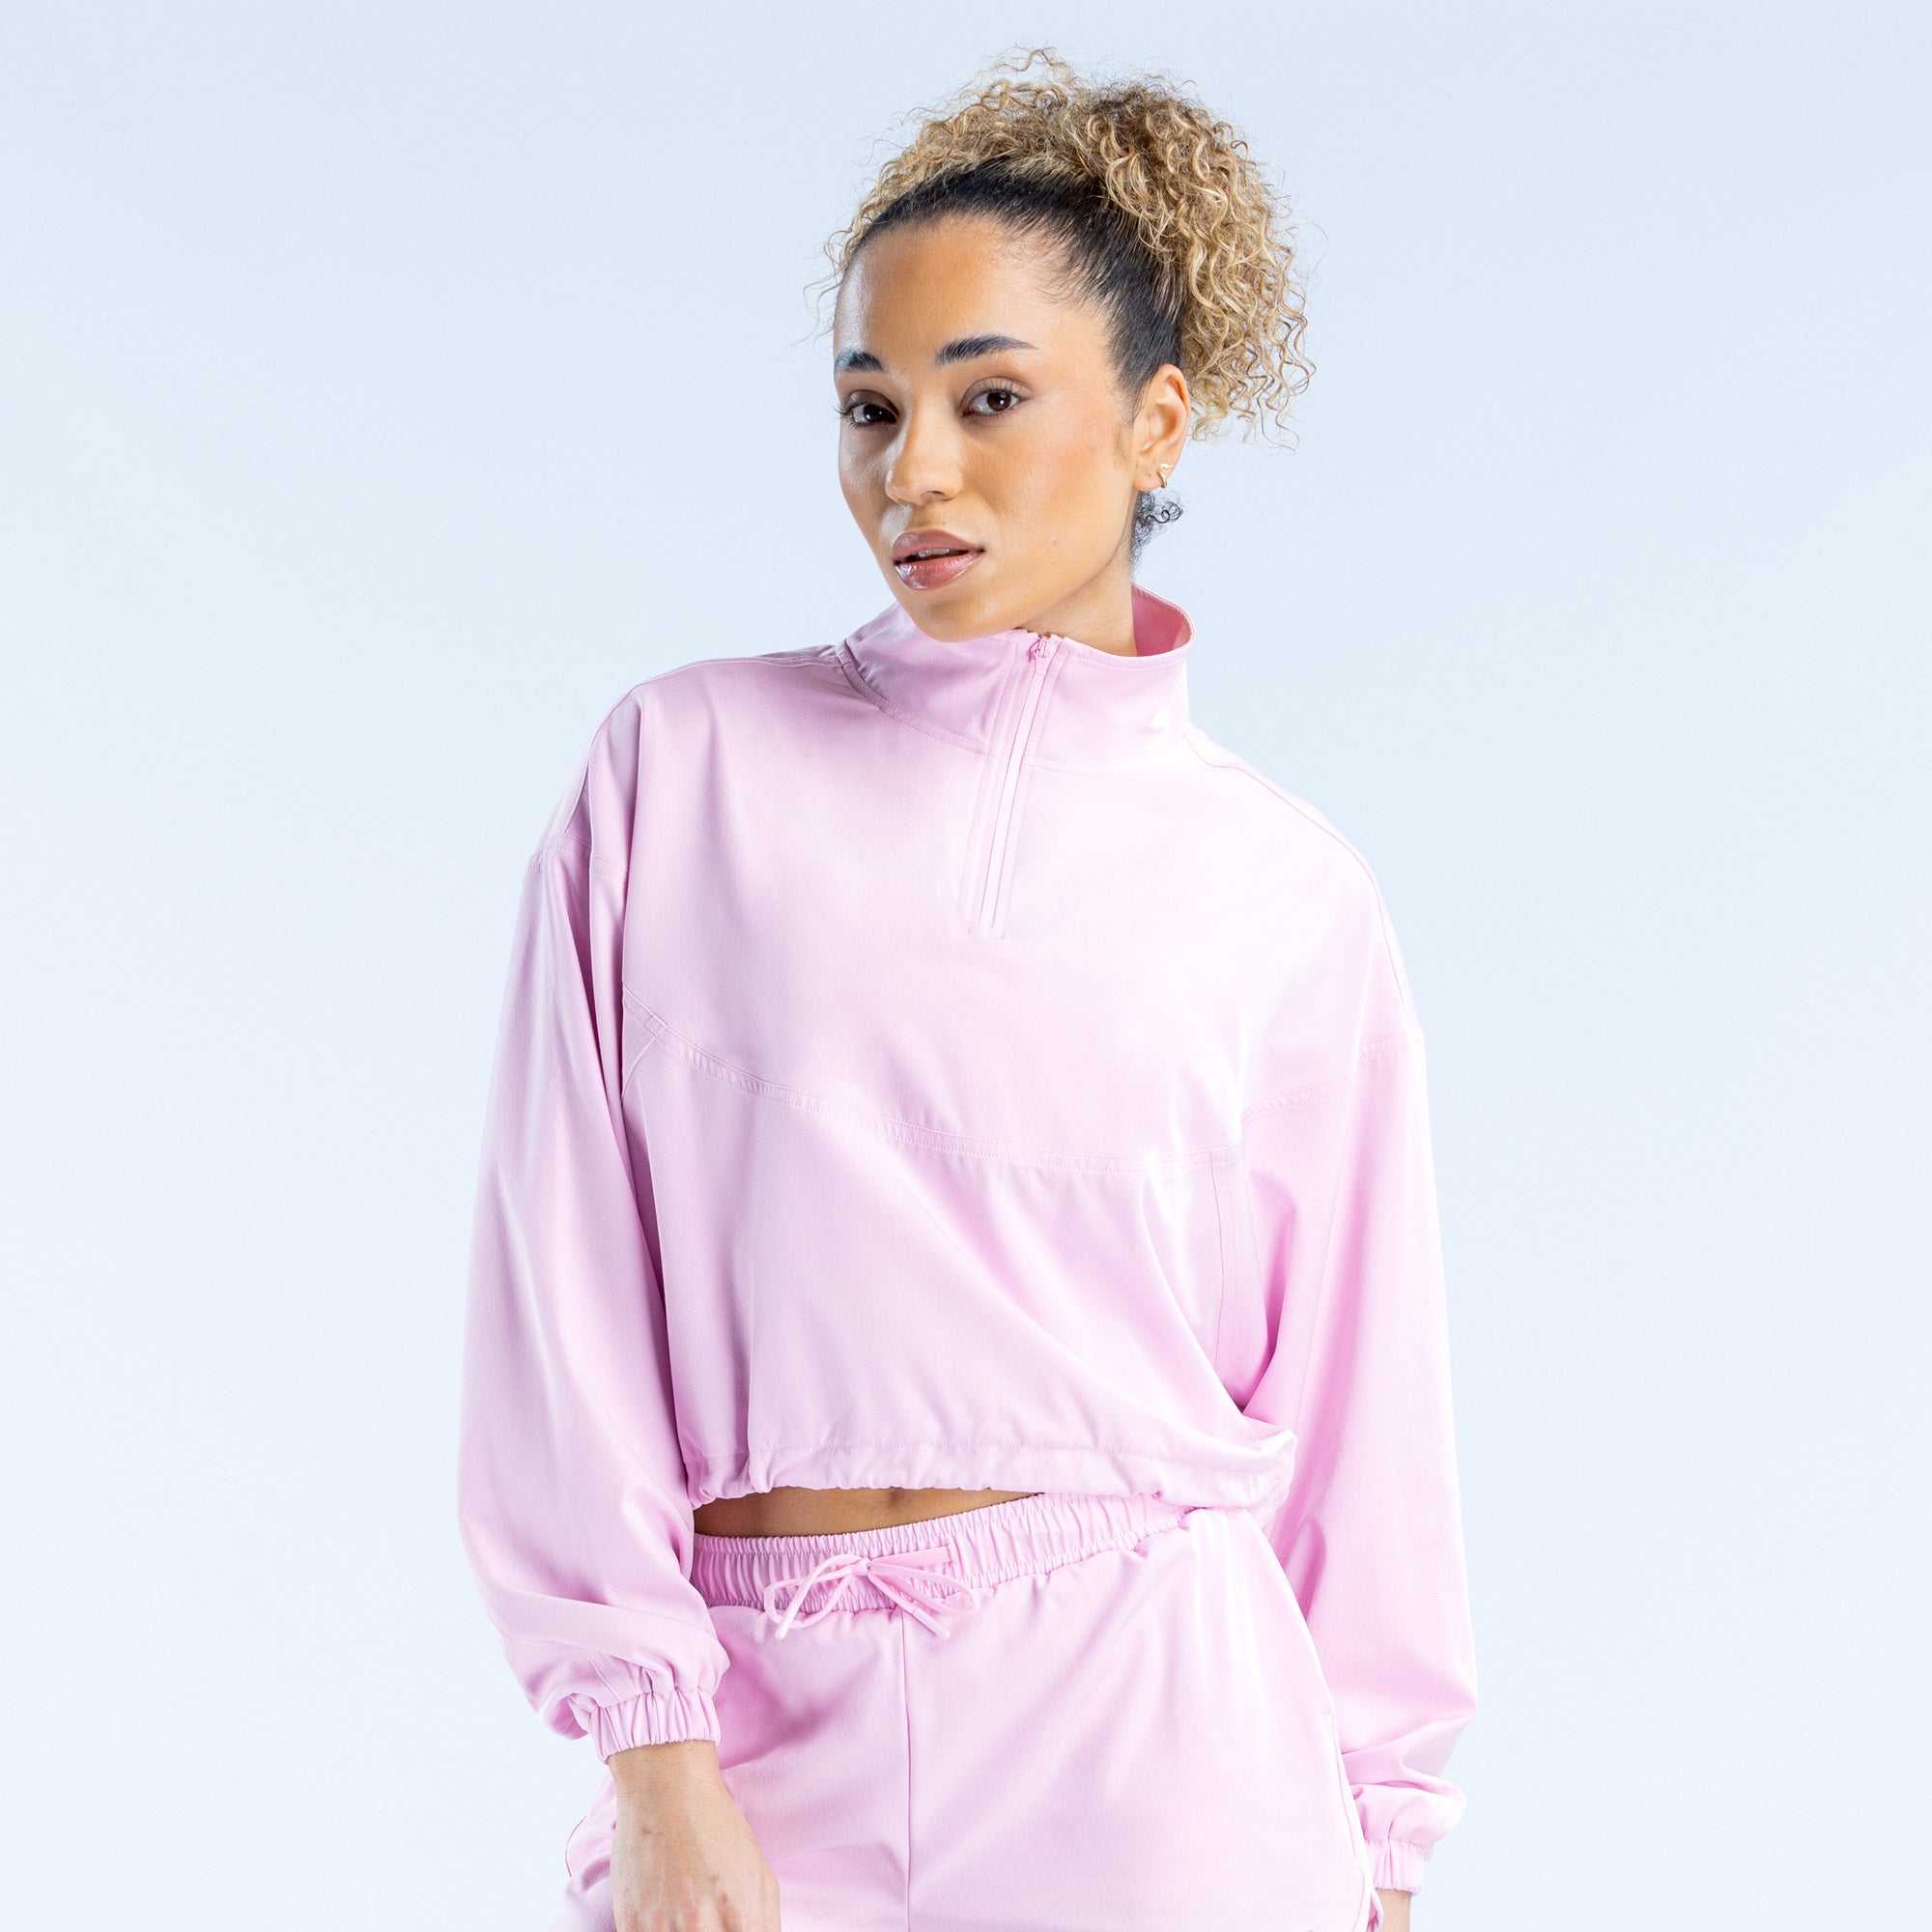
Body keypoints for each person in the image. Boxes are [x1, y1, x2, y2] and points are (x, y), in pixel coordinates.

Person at [456, 45, 1478, 1932]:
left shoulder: (1286, 892)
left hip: (1162, 1748)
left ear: (1158, 424)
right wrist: (654, 1755)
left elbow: (1364, 1421)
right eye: (870, 407)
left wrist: (1382, 1852)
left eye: (987, 398)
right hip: (754, 1735)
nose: (911, 470)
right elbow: (559, 1289)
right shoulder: (677, 772)